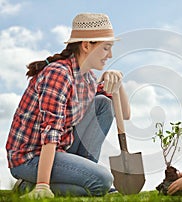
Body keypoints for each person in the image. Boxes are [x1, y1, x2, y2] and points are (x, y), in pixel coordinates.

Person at [6, 13, 130, 199]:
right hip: (30, 158)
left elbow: (125, 114)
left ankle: (86, 177)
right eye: (106, 48)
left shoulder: (88, 79)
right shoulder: (59, 73)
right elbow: (51, 132)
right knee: (103, 181)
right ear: (87, 45)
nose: (110, 55)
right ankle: (31, 186)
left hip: (59, 151)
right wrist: (43, 186)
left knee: (104, 104)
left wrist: (118, 81)